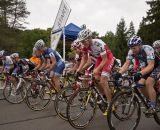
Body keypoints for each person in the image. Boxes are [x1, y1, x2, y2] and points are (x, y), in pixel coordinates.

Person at [114, 35, 157, 115]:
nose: (132, 50)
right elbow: (127, 64)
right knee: (139, 84)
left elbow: (151, 65)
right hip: (146, 66)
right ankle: (150, 99)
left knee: (148, 82)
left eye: (134, 48)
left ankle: (153, 106)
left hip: (156, 66)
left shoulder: (148, 49)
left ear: (140, 45)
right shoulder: (131, 52)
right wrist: (119, 73)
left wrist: (140, 73)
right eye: (130, 47)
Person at [76, 28, 116, 115]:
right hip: (99, 59)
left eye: (84, 41)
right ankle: (104, 95)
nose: (83, 44)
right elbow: (84, 59)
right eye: (81, 42)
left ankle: (111, 104)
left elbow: (105, 60)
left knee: (103, 80)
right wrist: (80, 69)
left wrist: (97, 69)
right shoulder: (84, 46)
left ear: (90, 38)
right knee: (94, 77)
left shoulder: (98, 44)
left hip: (108, 58)